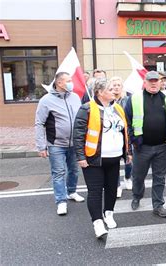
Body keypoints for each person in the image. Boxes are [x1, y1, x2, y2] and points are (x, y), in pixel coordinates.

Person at [73, 78, 130, 238]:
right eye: (110, 89)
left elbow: (126, 132)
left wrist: (128, 152)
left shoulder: (118, 108)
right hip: (93, 159)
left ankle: (109, 214)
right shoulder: (87, 109)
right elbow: (78, 135)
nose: (114, 91)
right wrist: (80, 156)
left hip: (114, 158)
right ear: (99, 92)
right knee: (95, 192)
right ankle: (97, 222)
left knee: (112, 189)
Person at [125, 71, 166, 217]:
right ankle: (137, 197)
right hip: (142, 147)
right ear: (145, 82)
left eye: (157, 81)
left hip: (162, 145)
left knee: (159, 178)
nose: (154, 83)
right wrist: (133, 142)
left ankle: (158, 205)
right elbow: (127, 122)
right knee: (138, 176)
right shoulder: (135, 98)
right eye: (151, 81)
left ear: (161, 82)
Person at [34, 72, 84, 216]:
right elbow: (39, 123)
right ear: (59, 83)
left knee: (74, 170)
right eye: (68, 81)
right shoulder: (46, 100)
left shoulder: (75, 97)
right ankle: (61, 201)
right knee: (59, 173)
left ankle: (72, 191)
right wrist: (41, 146)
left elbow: (81, 119)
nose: (71, 83)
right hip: (56, 144)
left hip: (75, 143)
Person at [111, 76, 133, 198]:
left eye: (118, 85)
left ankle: (128, 177)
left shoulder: (127, 100)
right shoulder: (108, 101)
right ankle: (117, 185)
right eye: (113, 85)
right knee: (114, 163)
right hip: (113, 135)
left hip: (127, 133)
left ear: (122, 87)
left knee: (129, 161)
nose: (116, 87)